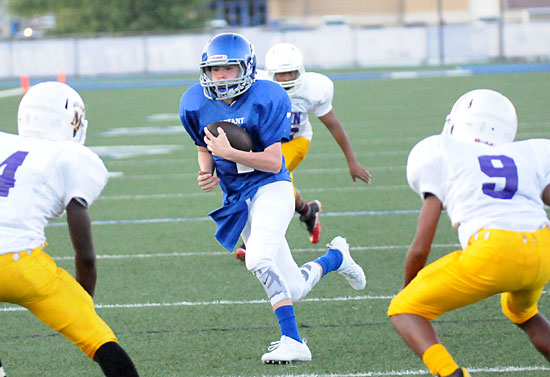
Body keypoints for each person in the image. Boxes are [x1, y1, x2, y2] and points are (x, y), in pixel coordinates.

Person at [179, 32, 366, 363]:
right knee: (292, 288)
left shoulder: (268, 95)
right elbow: (201, 143)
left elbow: (272, 162)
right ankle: (336, 257)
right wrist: (207, 170)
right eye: (214, 71)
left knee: (259, 260)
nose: (220, 77)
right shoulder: (194, 101)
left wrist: (229, 151)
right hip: (237, 196)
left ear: (247, 69)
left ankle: (292, 340)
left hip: (271, 188)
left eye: (229, 70)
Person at [387, 89, 550, 377]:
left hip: (494, 249)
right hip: (542, 247)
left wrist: (408, 287)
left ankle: (450, 373)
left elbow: (421, 246)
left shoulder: (443, 151)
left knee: (403, 309)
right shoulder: (531, 152)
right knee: (523, 312)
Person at [0, 81, 140, 377]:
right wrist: (83, 297)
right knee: (100, 341)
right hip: (20, 266)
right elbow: (81, 233)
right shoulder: (71, 155)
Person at [234, 42, 371, 260]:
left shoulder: (314, 89)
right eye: (281, 74)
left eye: (291, 72)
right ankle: (308, 212)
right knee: (278, 186)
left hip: (295, 141)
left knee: (265, 181)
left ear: (301, 70)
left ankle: (252, 243)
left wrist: (352, 161)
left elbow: (334, 125)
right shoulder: (257, 86)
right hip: (265, 143)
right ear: (271, 74)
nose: (287, 78)